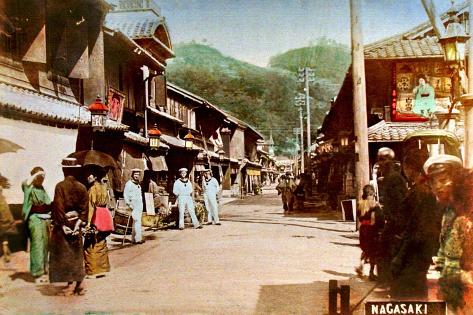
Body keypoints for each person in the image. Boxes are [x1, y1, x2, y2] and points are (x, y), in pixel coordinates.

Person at [424, 154, 473, 313]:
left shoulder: (467, 213)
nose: (437, 186)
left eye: (443, 180)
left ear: (458, 180)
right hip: (453, 293)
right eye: (433, 182)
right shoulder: (448, 211)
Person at [390, 151, 442, 299]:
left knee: (408, 289)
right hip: (423, 245)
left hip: (414, 248)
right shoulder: (425, 189)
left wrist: (400, 255)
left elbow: (414, 226)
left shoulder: (419, 191)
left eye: (406, 168)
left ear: (410, 168)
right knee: (417, 286)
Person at [49, 158, 88, 296]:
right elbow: (84, 210)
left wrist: (63, 225)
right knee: (76, 254)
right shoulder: (82, 187)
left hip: (64, 223)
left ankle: (70, 285)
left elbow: (58, 207)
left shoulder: (60, 186)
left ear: (64, 170)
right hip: (76, 222)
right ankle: (79, 285)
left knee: (65, 255)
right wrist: (77, 225)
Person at [376, 147, 408, 288]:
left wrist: (397, 223)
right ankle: (387, 281)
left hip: (397, 222)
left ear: (391, 160)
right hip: (391, 220)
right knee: (384, 251)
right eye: (379, 159)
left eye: (384, 159)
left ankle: (389, 282)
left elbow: (401, 202)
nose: (381, 163)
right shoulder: (388, 178)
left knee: (387, 251)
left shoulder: (394, 178)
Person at [21, 167, 52, 284]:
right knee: (37, 244)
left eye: (43, 177)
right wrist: (36, 174)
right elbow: (27, 183)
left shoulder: (41, 188)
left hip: (45, 218)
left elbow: (48, 202)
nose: (41, 179)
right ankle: (37, 273)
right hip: (34, 218)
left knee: (46, 245)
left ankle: (45, 270)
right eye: (39, 177)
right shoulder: (28, 186)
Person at [84, 172, 111, 279]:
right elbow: (107, 202)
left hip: (96, 215)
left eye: (90, 175)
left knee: (91, 242)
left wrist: (88, 223)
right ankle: (102, 268)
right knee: (101, 241)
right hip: (104, 214)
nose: (87, 177)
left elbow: (91, 206)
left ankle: (93, 270)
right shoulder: (103, 187)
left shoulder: (92, 189)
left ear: (95, 176)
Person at [356, 184, 383, 281]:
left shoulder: (360, 204)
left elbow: (359, 217)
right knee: (373, 253)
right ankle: (371, 272)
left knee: (366, 249)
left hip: (363, 230)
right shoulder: (375, 205)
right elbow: (380, 219)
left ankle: (361, 267)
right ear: (372, 194)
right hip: (372, 230)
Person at [124, 169, 144, 244]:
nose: (136, 176)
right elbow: (126, 195)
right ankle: (138, 239)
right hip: (133, 204)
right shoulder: (129, 184)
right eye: (135, 174)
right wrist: (129, 204)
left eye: (138, 174)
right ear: (132, 175)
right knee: (137, 221)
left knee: (136, 221)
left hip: (139, 204)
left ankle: (134, 238)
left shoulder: (138, 184)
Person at [0, 174, 17, 264]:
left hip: (2, 208)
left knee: (3, 233)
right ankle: (6, 251)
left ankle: (6, 252)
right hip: (3, 208)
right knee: (4, 233)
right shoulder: (1, 186)